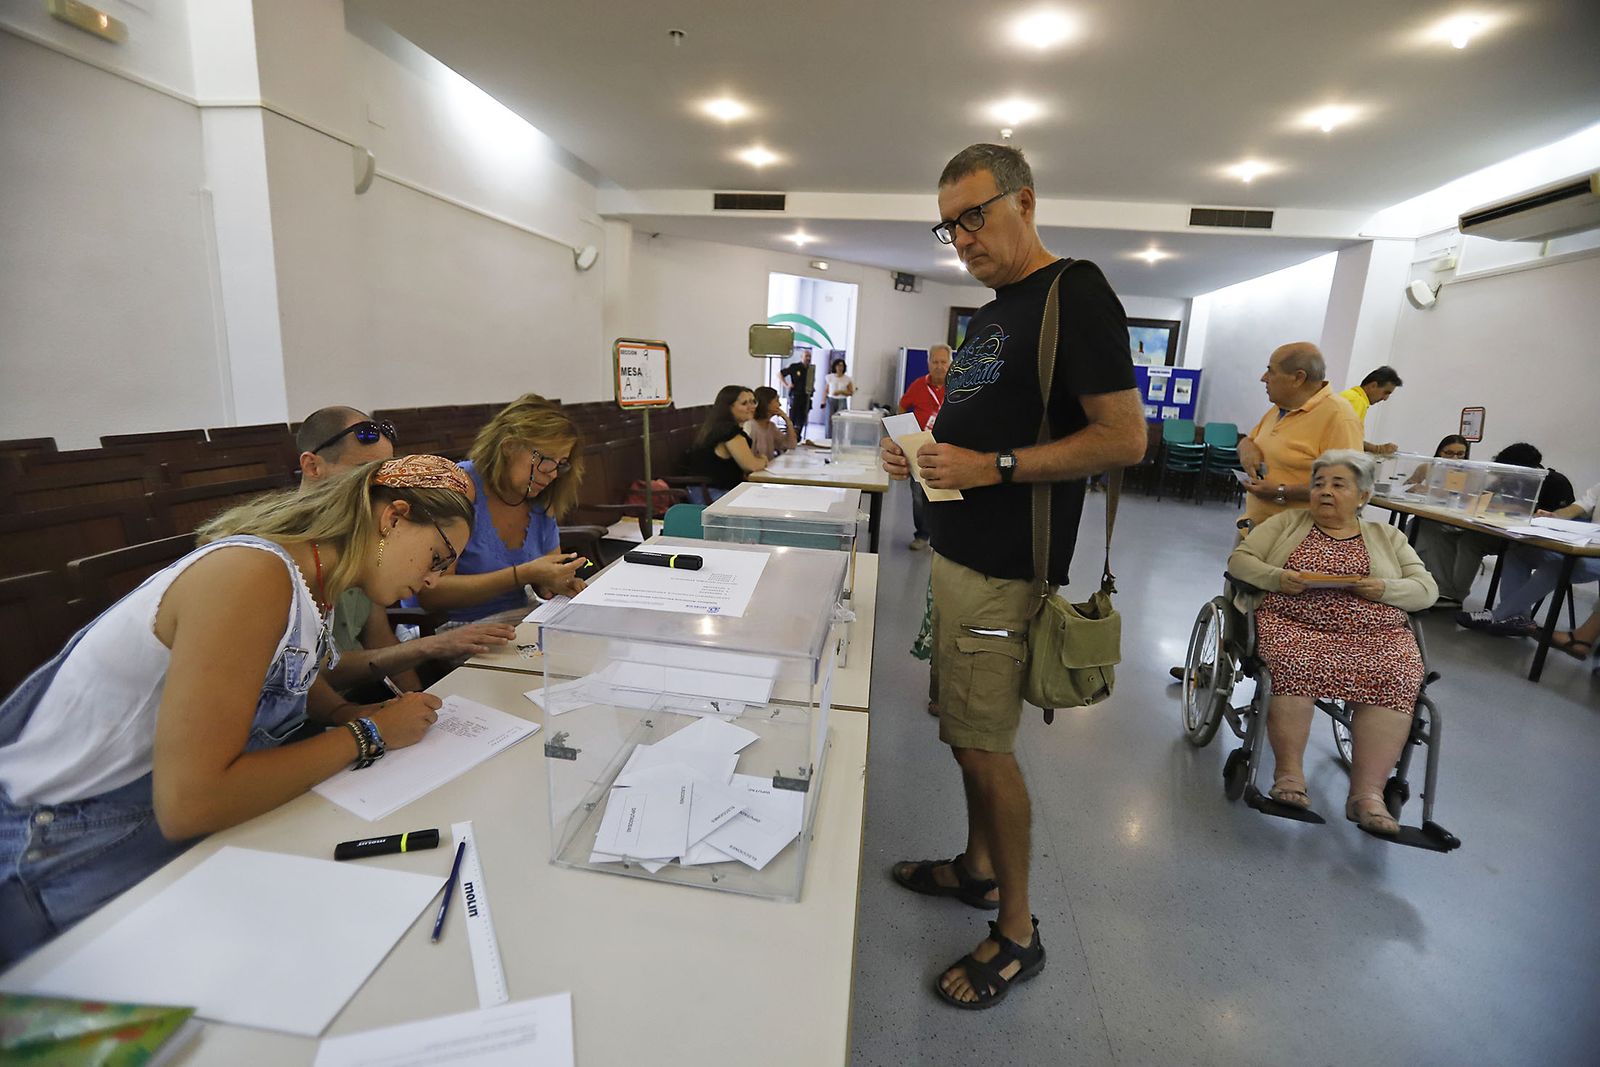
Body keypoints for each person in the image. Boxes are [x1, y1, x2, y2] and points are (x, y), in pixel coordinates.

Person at [0, 455, 473, 963]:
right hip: (68, 852)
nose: (434, 581)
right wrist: (368, 735)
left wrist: (340, 712)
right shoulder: (251, 575)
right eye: (438, 557)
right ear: (394, 517)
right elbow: (191, 804)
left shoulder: (314, 575)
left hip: (141, 827)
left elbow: (287, 669)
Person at [879, 142, 1145, 1009]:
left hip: (1004, 572)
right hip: (959, 559)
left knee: (988, 749)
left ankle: (1019, 930)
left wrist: (989, 466)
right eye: (949, 224)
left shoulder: (1076, 293)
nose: (962, 237)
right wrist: (921, 454)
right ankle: (977, 867)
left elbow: (1124, 438)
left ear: (1023, 203)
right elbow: (980, 428)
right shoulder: (996, 313)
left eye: (974, 215)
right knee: (964, 734)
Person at [1227, 450, 1438, 835]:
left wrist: (1384, 588)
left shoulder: (1388, 537)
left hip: (1375, 635)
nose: (1325, 491)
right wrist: (1277, 578)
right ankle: (1289, 776)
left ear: (1363, 496)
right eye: (1319, 484)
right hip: (1294, 624)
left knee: (1397, 674)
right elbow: (1240, 562)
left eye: (1338, 485)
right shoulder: (1285, 523)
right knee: (1293, 662)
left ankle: (1367, 796)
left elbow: (1426, 589)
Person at [296, 407, 515, 696]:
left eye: (384, 473)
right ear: (312, 467)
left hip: (357, 694)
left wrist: (416, 700)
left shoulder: (368, 541)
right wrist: (348, 716)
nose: (380, 489)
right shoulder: (284, 563)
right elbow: (305, 675)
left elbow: (378, 638)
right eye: (364, 473)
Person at [417, 395, 588, 624]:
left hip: (517, 619)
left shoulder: (539, 495)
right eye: (546, 459)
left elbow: (545, 577)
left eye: (561, 463)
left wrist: (555, 582)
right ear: (509, 446)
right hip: (450, 626)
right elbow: (431, 594)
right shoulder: (459, 487)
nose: (553, 473)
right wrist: (522, 574)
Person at [1237, 342, 1364, 529]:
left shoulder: (1339, 417)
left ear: (1298, 378)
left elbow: (1347, 485)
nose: (1263, 378)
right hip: (1256, 528)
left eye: (1271, 371)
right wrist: (1247, 447)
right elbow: (1250, 439)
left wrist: (1281, 491)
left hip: (1297, 537)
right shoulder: (1280, 409)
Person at [1457, 474, 1599, 637]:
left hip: (1594, 556)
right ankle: (1518, 619)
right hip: (1588, 546)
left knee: (1557, 566)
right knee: (1517, 555)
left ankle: (1498, 615)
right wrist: (1554, 516)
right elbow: (1579, 507)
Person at [899, 344, 951, 550]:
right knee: (919, 495)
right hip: (919, 450)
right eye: (935, 362)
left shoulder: (958, 386)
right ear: (928, 363)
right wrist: (903, 432)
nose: (939, 366)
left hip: (948, 450)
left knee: (945, 496)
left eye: (943, 362)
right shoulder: (918, 385)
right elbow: (902, 405)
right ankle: (922, 535)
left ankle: (942, 538)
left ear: (950, 363)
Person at [687, 385, 766, 499]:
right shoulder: (727, 432)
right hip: (710, 491)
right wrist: (764, 460)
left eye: (753, 402)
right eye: (744, 403)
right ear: (728, 408)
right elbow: (751, 466)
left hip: (719, 488)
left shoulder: (722, 428)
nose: (752, 407)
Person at [1337, 366, 1403, 455]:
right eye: (1386, 393)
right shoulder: (1357, 401)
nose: (1385, 398)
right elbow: (1348, 440)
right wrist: (1378, 449)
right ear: (1373, 386)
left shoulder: (1350, 395)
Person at [743, 386, 798, 460]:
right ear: (766, 403)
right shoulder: (750, 426)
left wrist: (788, 421)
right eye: (777, 401)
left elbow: (791, 445)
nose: (780, 404)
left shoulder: (771, 427)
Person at [781, 349, 816, 440]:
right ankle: (789, 435)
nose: (808, 358)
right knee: (792, 417)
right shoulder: (795, 367)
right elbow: (780, 374)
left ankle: (798, 436)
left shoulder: (811, 369)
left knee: (802, 418)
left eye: (809, 356)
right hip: (796, 395)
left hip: (806, 397)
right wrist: (786, 385)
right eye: (806, 356)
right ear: (802, 357)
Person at [824, 358, 854, 424]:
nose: (840, 368)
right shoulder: (830, 377)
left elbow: (851, 392)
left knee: (840, 420)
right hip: (831, 400)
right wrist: (823, 401)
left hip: (842, 400)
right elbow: (826, 390)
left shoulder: (847, 379)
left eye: (841, 366)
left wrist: (841, 392)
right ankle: (829, 431)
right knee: (829, 419)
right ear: (835, 367)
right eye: (838, 366)